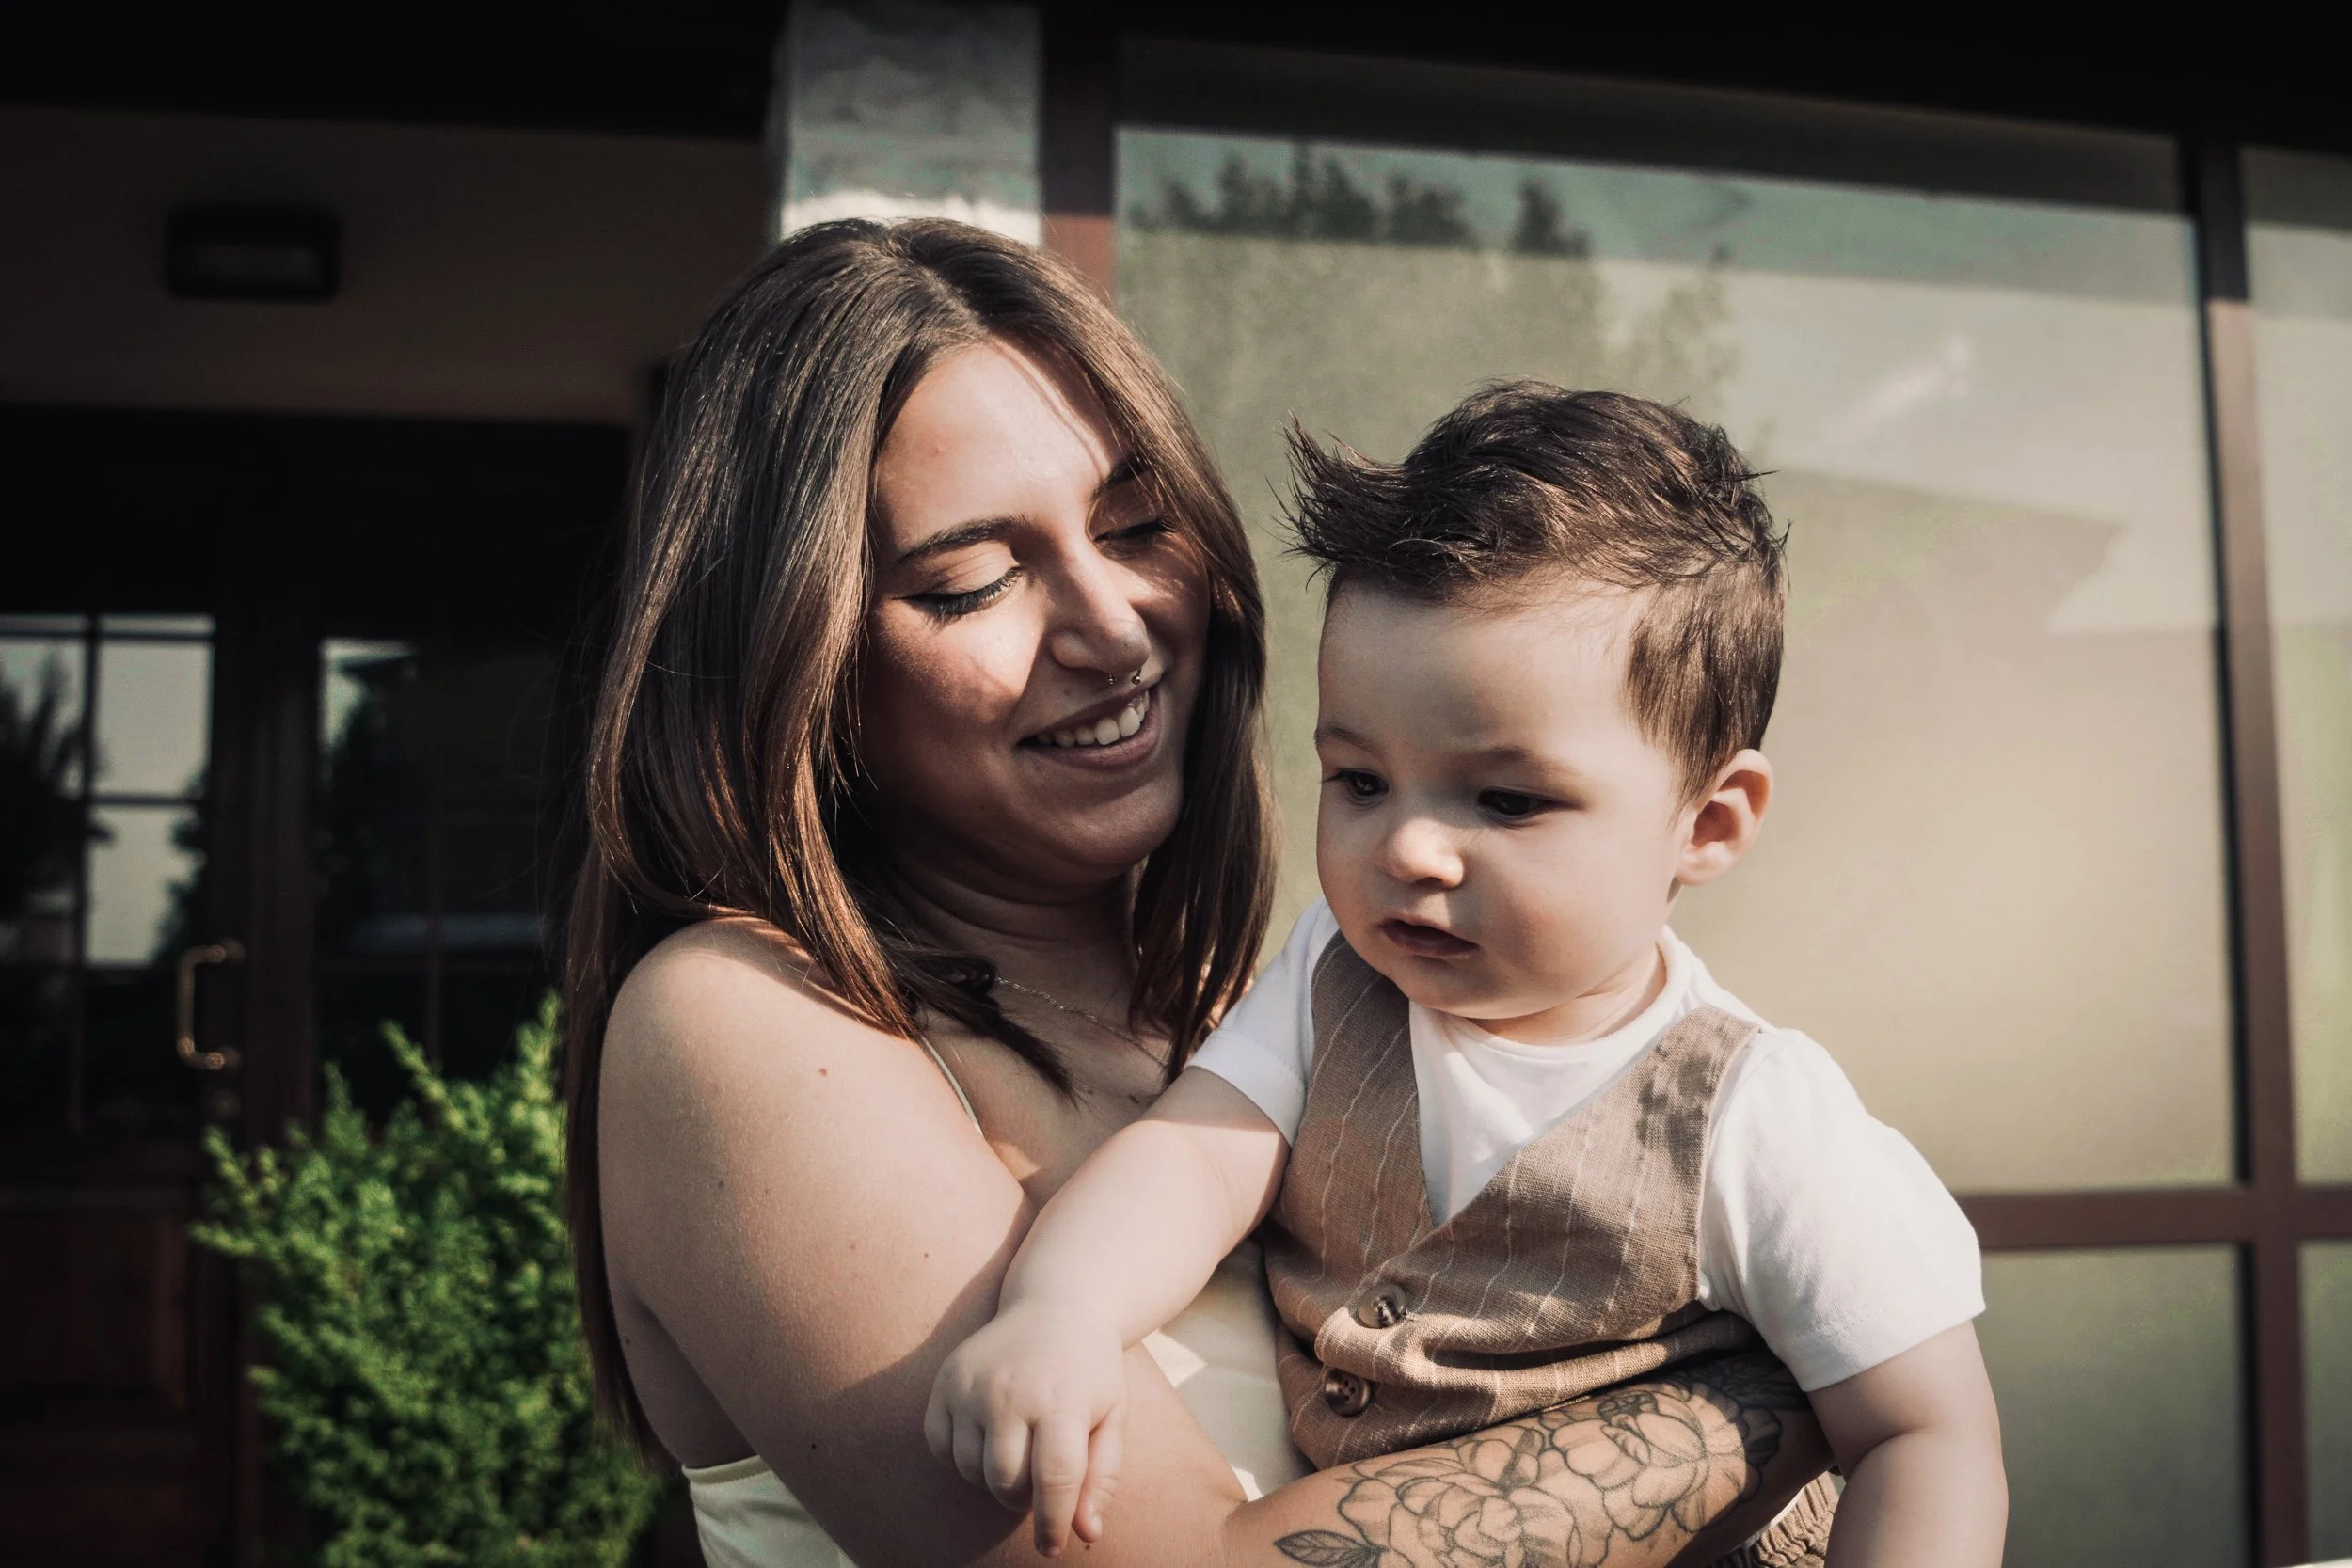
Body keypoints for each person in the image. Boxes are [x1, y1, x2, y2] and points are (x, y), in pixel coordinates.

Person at [566, 219, 1831, 1566]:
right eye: (972, 581)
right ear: (794, 653)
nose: (1113, 625)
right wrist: (1800, 1384)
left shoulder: (1277, 1005)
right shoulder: (744, 1026)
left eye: (1134, 525)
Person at [928, 385, 2007, 1563]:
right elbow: (1192, 1159)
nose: (1408, 849)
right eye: (1360, 780)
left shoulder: (1756, 1117)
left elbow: (1924, 1431)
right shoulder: (1331, 978)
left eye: (1505, 799)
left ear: (1708, 821)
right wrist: (1064, 1312)